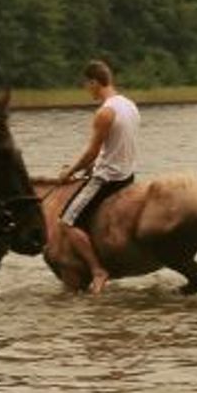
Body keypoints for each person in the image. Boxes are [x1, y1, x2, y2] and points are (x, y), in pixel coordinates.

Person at [55, 59, 139, 294]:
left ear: (94, 82)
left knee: (66, 222)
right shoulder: (130, 105)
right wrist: (85, 170)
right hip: (128, 175)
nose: (86, 90)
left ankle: (97, 270)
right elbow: (114, 148)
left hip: (107, 179)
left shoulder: (105, 112)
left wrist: (69, 171)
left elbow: (93, 151)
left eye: (87, 85)